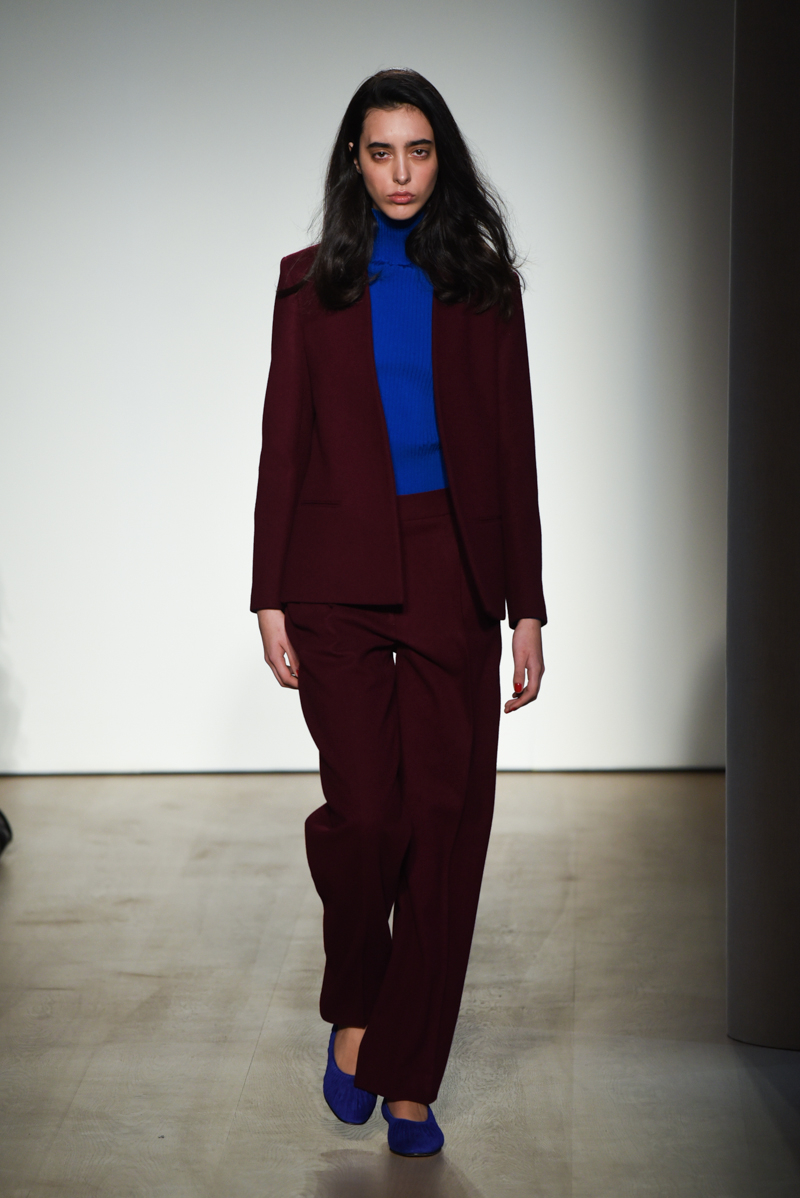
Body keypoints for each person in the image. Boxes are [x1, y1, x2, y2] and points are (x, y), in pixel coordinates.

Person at [251, 68, 546, 1158]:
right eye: (380, 153)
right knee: (367, 816)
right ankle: (357, 1003)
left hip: (451, 568)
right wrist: (267, 590)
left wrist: (525, 606)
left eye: (418, 152)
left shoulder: (483, 285)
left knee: (446, 827)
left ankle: (410, 1079)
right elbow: (282, 440)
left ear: (441, 158)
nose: (401, 174)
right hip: (331, 569)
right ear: (354, 161)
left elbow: (512, 447)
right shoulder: (306, 287)